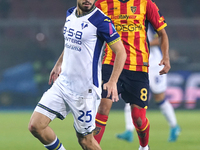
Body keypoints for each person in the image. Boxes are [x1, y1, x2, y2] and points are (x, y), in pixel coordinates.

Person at [28, 0, 127, 149]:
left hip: (84, 91)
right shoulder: (70, 14)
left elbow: (121, 52)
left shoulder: (101, 21)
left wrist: (113, 81)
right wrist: (59, 63)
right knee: (35, 126)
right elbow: (71, 43)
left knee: (85, 141)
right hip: (63, 84)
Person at [94, 0, 171, 150]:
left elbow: (162, 33)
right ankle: (92, 146)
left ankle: (144, 146)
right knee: (103, 107)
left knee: (139, 119)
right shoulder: (102, 3)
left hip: (138, 67)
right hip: (111, 63)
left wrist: (166, 57)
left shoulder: (146, 3)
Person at [116, 23, 181, 143]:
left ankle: (174, 126)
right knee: (131, 97)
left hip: (155, 64)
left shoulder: (149, 21)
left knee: (160, 98)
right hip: (138, 63)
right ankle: (129, 131)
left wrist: (143, 44)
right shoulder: (129, 18)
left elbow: (160, 38)